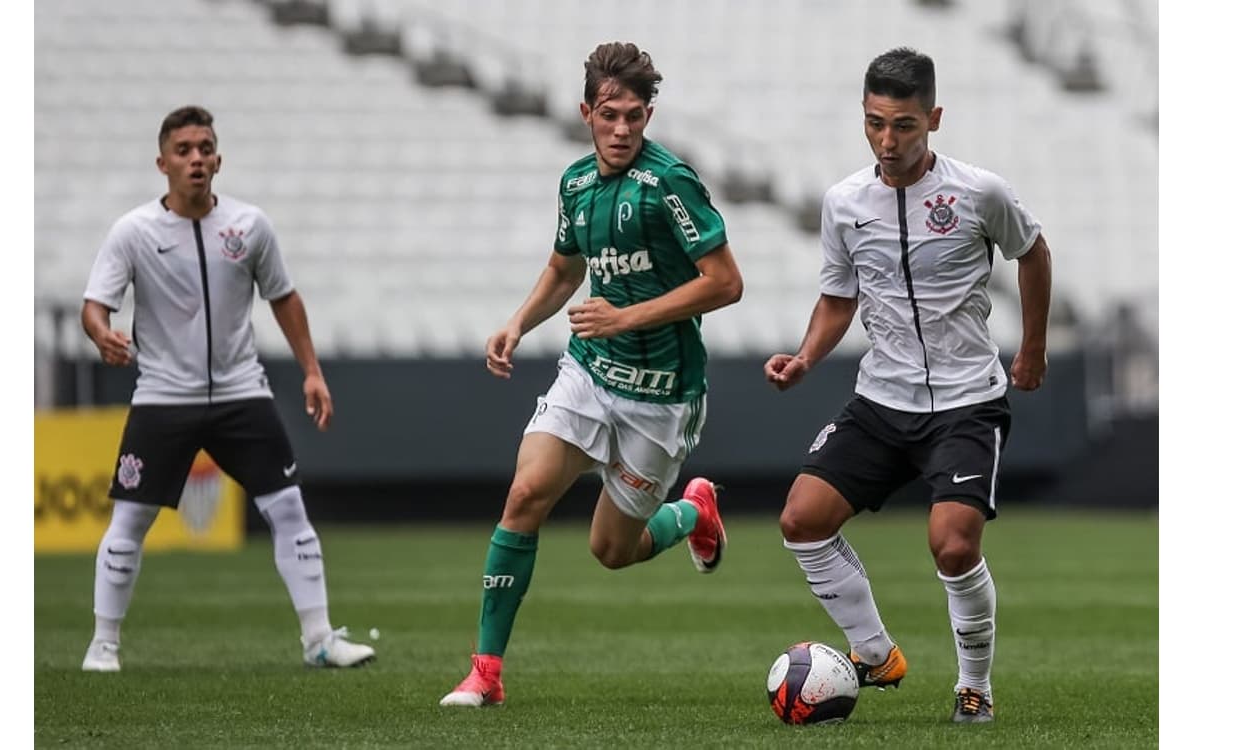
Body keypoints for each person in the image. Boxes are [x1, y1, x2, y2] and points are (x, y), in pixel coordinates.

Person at [439, 42, 744, 707]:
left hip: (664, 395)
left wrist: (629, 317)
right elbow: (564, 269)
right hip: (591, 374)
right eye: (610, 115)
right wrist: (518, 323)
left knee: (612, 550)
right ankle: (486, 672)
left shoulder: (672, 184)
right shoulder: (575, 183)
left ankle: (694, 511)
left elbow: (726, 283)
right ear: (587, 112)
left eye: (635, 116)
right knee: (525, 496)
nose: (622, 130)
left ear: (648, 115)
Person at [763, 48, 1052, 724]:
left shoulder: (979, 192)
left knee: (953, 544)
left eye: (904, 126)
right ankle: (874, 653)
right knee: (801, 521)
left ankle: (974, 686)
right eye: (874, 125)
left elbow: (1033, 251)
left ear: (934, 119)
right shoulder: (844, 202)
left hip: (966, 403)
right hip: (880, 401)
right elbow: (838, 298)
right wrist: (806, 358)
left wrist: (1032, 346)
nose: (888, 142)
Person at [78, 105, 375, 672]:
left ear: (219, 159)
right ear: (162, 161)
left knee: (288, 510)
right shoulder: (134, 232)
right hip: (164, 396)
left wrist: (311, 369)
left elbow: (283, 296)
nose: (196, 158)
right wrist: (101, 335)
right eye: (184, 149)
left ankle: (319, 638)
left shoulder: (249, 225)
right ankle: (104, 643)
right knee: (132, 520)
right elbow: (95, 307)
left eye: (205, 148)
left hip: (242, 392)